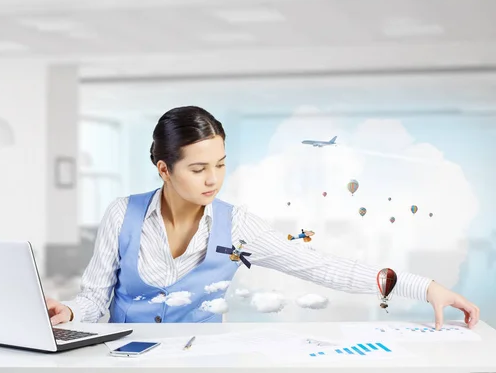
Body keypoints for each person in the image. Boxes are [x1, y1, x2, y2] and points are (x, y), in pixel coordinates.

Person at [47, 106, 479, 330]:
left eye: (220, 163)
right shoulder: (122, 214)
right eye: (198, 169)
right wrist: (66, 311)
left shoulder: (238, 224)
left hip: (203, 362)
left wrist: (424, 286)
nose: (213, 179)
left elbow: (322, 265)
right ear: (164, 169)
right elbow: (94, 301)